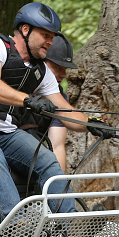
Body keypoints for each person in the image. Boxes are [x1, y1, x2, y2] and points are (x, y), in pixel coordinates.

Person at [0, 2, 112, 222]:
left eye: (52, 37)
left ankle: (70, 226)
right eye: (45, 35)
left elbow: (65, 111)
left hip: (5, 132)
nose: (50, 42)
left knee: (48, 161)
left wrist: (91, 123)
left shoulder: (41, 72)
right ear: (25, 30)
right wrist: (29, 100)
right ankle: (16, 224)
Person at [44, 33, 79, 173]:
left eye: (65, 69)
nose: (64, 75)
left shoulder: (60, 98)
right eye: (58, 67)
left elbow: (57, 146)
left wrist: (59, 191)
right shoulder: (17, 85)